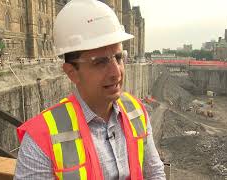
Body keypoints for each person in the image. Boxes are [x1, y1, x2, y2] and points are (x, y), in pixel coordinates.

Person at [14, 0, 165, 179]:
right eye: (100, 62)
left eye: (118, 57)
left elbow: (154, 172)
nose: (116, 72)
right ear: (72, 73)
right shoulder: (41, 139)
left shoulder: (136, 112)